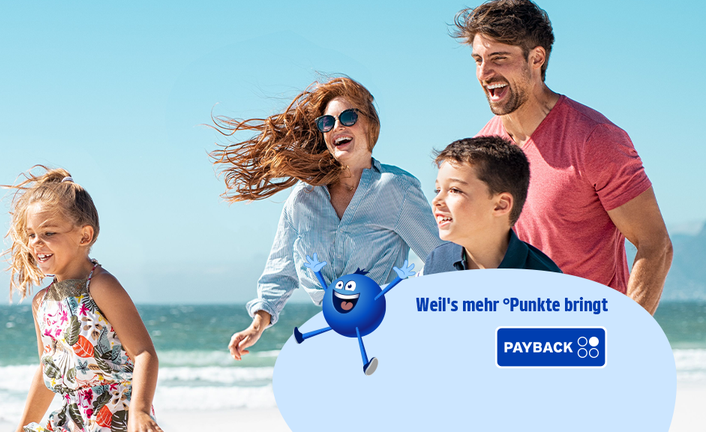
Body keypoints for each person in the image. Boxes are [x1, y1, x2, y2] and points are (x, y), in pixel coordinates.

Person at [452, 0, 672, 312]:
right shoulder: (482, 150)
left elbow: (656, 245)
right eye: (478, 60)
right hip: (513, 338)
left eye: (499, 59)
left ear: (536, 58)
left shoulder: (595, 139)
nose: (485, 73)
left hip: (584, 341)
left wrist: (627, 333)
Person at [211, 77, 444, 361]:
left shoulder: (397, 189)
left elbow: (441, 259)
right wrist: (257, 324)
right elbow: (280, 270)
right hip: (331, 339)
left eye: (348, 117)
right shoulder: (303, 199)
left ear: (370, 125)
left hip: (391, 338)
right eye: (327, 122)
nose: (338, 127)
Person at [2, 166, 163, 432]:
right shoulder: (42, 303)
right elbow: (47, 373)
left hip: (115, 418)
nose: (36, 243)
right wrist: (21, 428)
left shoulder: (100, 286)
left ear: (84, 235)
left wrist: (141, 411)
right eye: (31, 235)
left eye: (49, 233)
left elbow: (144, 353)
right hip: (69, 421)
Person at [423, 136, 560, 274]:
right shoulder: (437, 261)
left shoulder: (545, 278)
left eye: (455, 190)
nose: (436, 200)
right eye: (438, 190)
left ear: (501, 205)